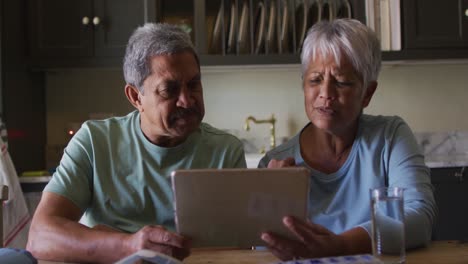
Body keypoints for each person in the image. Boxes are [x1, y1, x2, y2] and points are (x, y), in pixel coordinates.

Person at [26, 23, 246, 263]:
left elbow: (244, 247)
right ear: (135, 97)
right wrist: (129, 245)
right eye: (169, 90)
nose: (187, 100)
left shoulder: (226, 151)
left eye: (194, 84)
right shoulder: (94, 142)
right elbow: (40, 237)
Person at [258, 18, 436, 261]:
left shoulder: (390, 137)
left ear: (368, 93)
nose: (326, 94)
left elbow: (419, 217)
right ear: (303, 85)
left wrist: (340, 245)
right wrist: (272, 205)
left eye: (341, 82)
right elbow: (259, 247)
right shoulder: (274, 163)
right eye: (315, 79)